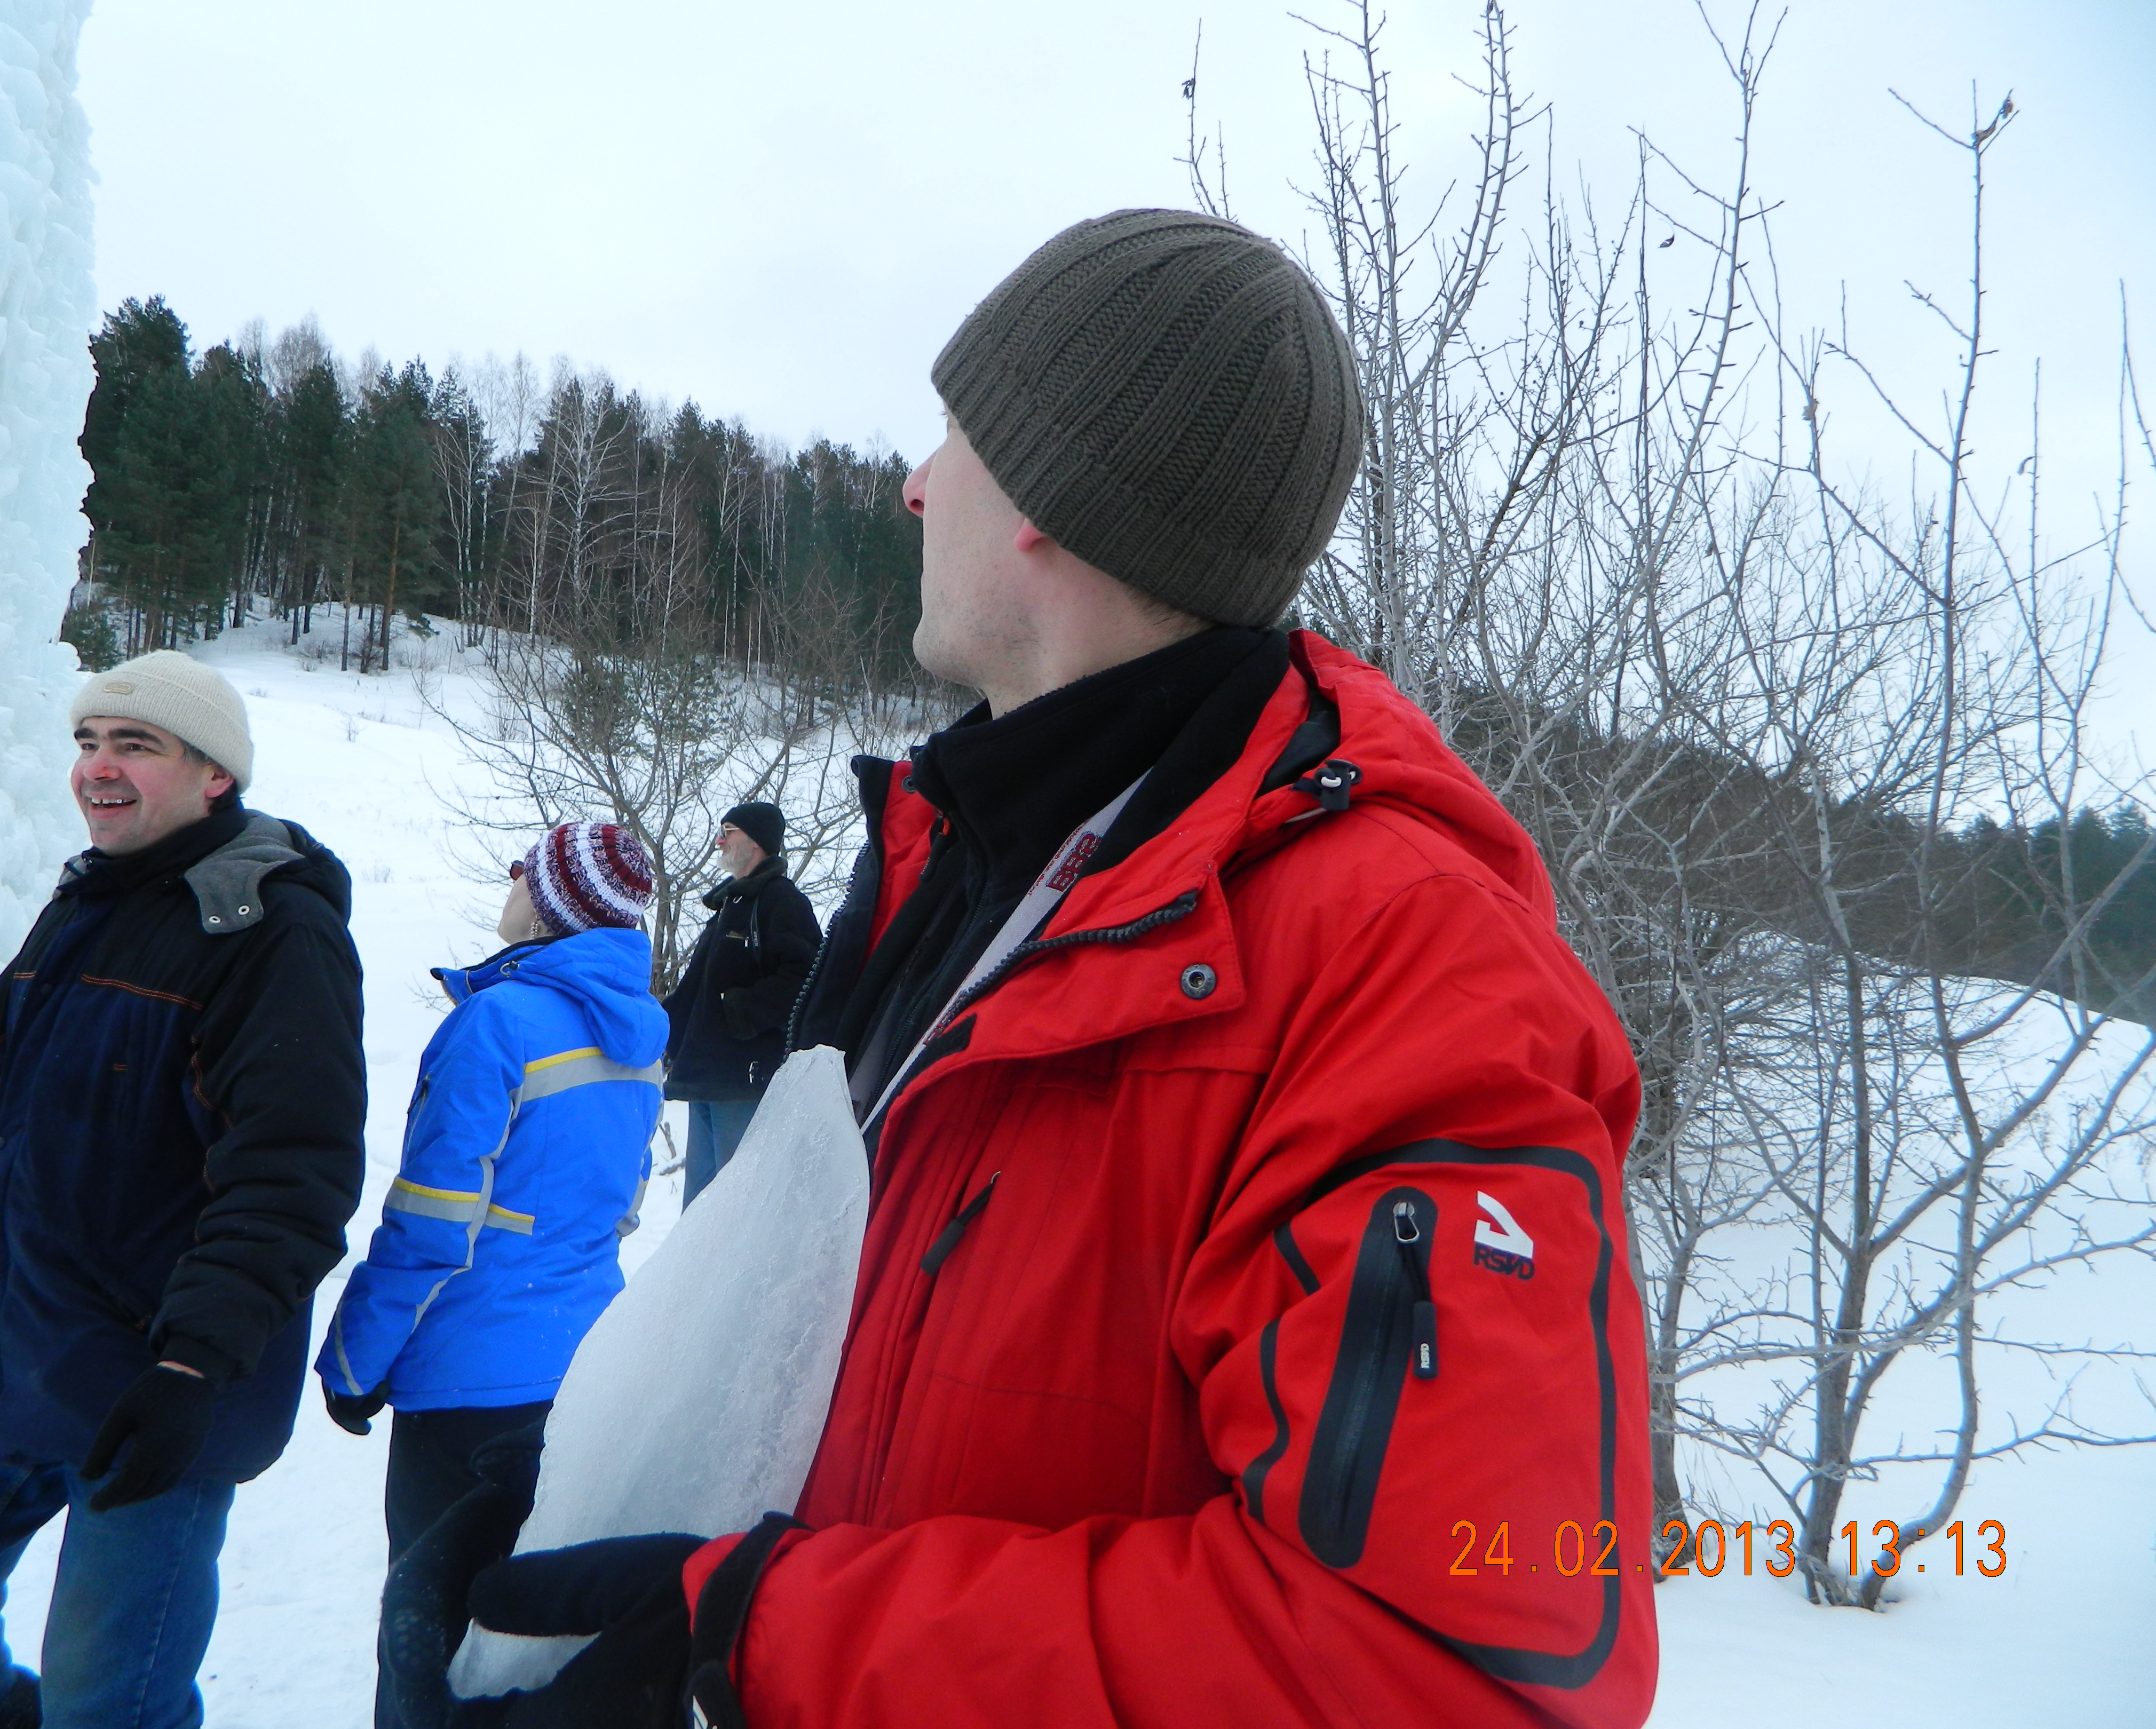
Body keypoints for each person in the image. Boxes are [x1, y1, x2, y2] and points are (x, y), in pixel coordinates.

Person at [426, 210, 1658, 1729]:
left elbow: (1453, 1666)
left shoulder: (1409, 967)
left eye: (952, 435)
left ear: (1048, 501)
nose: (912, 483)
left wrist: (770, 1638)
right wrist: (610, 1511)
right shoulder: (968, 857)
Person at [0, 651, 366, 1729]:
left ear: (215, 775)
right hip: (16, 1356)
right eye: (88, 742)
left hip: (155, 1388)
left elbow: (289, 1176)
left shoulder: (273, 931)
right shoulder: (88, 901)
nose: (98, 766)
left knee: (108, 1706)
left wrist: (193, 1366)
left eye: (137, 745)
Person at [315, 820, 667, 1729]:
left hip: (468, 1389)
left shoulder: (497, 1024)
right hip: (583, 1371)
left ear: (550, 906)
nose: (510, 882)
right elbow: (620, 1207)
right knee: (527, 1637)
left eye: (525, 871)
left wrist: (354, 1361)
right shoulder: (639, 1033)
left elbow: (432, 1223)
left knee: (427, 1647)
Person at [660, 802, 821, 1205]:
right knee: (700, 1206)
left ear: (756, 842)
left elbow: (807, 977)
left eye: (728, 831)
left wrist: (742, 1012)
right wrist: (663, 1030)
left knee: (735, 1203)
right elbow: (696, 990)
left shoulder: (781, 900)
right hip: (705, 1075)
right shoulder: (729, 907)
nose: (719, 841)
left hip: (744, 1081)